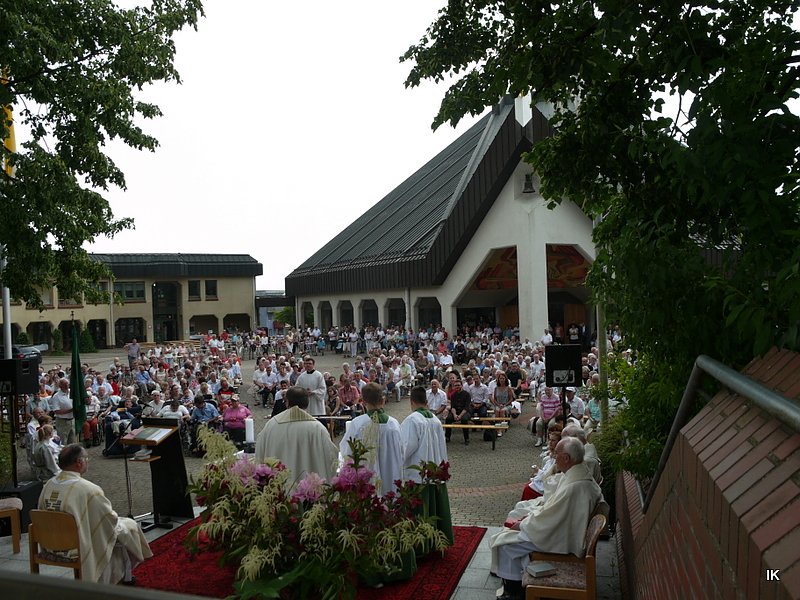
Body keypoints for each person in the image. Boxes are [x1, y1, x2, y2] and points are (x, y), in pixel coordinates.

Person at [489, 437, 603, 600]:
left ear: (566, 458)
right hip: (562, 530)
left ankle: (515, 593)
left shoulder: (575, 486)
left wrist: (523, 524)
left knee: (506, 544)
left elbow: (551, 519)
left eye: (557, 454)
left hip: (561, 538)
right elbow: (554, 512)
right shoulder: (578, 474)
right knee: (512, 534)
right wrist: (529, 519)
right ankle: (519, 582)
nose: (554, 457)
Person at [38, 444, 152, 584]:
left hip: (50, 543)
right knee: (125, 530)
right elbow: (109, 519)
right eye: (86, 458)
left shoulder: (48, 485)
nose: (88, 461)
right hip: (75, 547)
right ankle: (121, 578)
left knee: (110, 532)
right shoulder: (88, 489)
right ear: (79, 463)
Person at [254, 386, 338, 488]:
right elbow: (331, 457)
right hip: (310, 494)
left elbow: (260, 452)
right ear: (307, 403)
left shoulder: (272, 425)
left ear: (287, 402)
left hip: (279, 491)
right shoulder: (317, 428)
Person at [339, 382, 403, 497]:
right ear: (383, 401)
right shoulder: (394, 424)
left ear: (363, 401)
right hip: (391, 475)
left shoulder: (358, 424)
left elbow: (347, 452)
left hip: (367, 478)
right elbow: (401, 451)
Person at [400, 386, 447, 481]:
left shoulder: (412, 420)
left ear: (411, 402)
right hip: (435, 471)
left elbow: (406, 447)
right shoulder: (436, 419)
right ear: (426, 402)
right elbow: (442, 446)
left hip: (418, 475)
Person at [49, 378, 77, 445]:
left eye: (68, 384)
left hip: (72, 420)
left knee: (72, 441)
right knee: (63, 441)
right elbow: (57, 411)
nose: (67, 385)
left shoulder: (72, 393)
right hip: (62, 422)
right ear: (60, 386)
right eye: (65, 384)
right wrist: (71, 410)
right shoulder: (56, 396)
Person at [445, 379, 472, 445]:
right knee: (448, 419)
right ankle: (447, 437)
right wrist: (454, 415)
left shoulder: (467, 394)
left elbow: (466, 407)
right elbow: (453, 407)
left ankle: (466, 438)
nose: (457, 387)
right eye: (455, 385)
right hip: (455, 411)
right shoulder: (453, 395)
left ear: (462, 386)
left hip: (465, 412)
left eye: (458, 385)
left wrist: (460, 416)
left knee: (464, 420)